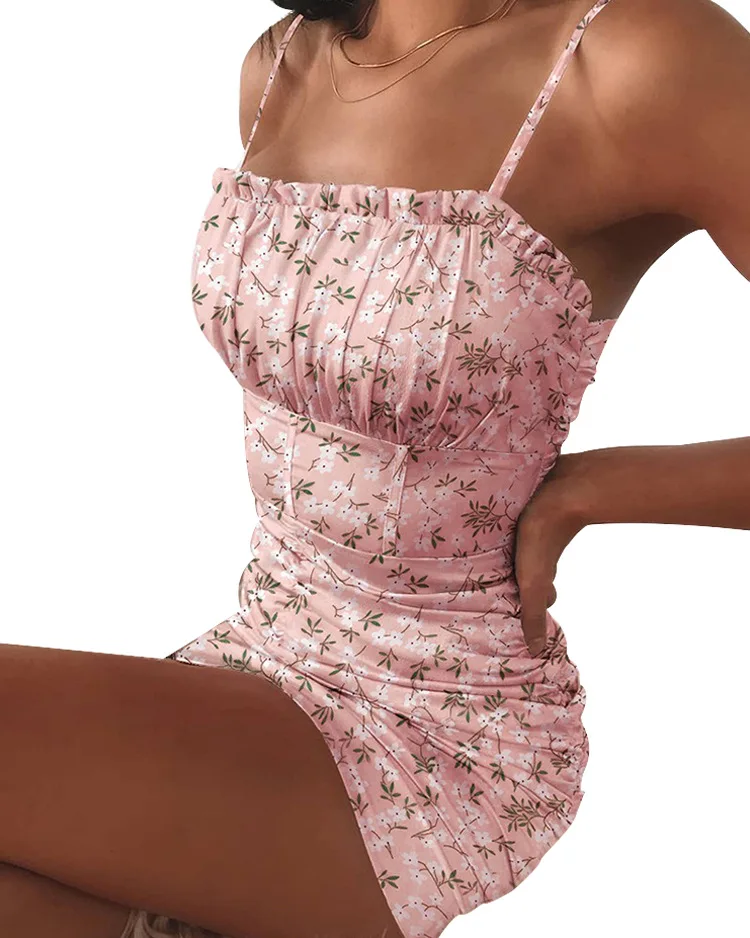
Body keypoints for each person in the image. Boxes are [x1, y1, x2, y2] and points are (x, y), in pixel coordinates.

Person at [1, 1, 749, 937]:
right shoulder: (281, 65)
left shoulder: (631, 60)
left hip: (439, 726)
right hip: (258, 657)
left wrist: (597, 490)